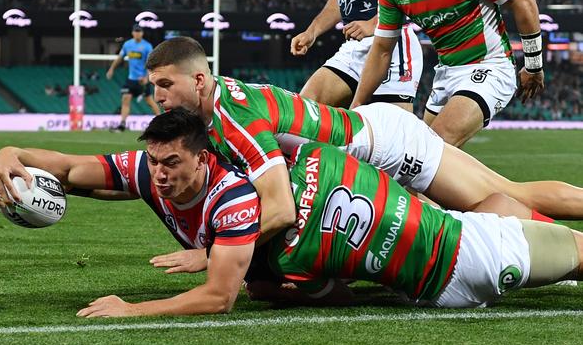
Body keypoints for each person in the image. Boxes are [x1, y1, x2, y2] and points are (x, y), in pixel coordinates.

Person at [146, 36, 583, 239]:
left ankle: (560, 250)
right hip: (364, 147)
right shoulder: (218, 109)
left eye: (166, 85)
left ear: (199, 80)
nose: (158, 96)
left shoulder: (232, 115)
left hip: (389, 146)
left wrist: (211, 255)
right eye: (154, 86)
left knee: (498, 198)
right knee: (467, 215)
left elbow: (278, 209)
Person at [0, 109, 258, 317]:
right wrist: (9, 153)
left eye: (171, 163)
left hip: (297, 264)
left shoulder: (232, 198)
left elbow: (220, 297)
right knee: (260, 287)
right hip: (260, 275)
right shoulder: (143, 169)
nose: (159, 174)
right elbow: (69, 169)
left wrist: (131, 309)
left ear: (201, 159)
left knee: (272, 286)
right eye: (153, 160)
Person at [244, 142, 583, 308]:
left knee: (501, 204)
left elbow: (340, 295)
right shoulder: (317, 155)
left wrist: (284, 290)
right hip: (468, 253)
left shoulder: (288, 260)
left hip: (429, 288)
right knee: (573, 251)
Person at [350, 0, 544, 147]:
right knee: (413, 161)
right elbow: (382, 50)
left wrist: (533, 66)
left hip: (489, 65)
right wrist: (357, 105)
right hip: (446, 74)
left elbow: (523, 2)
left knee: (432, 150)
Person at [291, 0, 422, 111]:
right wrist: (312, 32)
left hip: (391, 40)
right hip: (354, 45)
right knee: (305, 109)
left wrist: (375, 22)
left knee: (389, 127)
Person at [106, 24, 161, 132]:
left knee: (150, 101)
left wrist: (147, 77)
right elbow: (120, 58)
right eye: (136, 31)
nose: (137, 33)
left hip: (142, 79)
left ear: (142, 33)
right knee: (125, 99)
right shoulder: (127, 45)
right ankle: (122, 125)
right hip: (131, 79)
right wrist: (111, 69)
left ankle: (161, 122)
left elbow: (150, 63)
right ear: (132, 33)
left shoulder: (147, 46)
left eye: (139, 31)